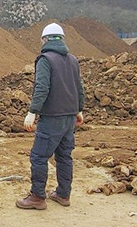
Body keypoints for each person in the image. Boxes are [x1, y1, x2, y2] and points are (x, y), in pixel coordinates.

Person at [16, 23, 85, 210]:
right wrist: (78, 110)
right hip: (69, 117)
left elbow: (42, 87)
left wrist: (32, 112)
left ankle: (37, 197)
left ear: (44, 40)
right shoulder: (72, 59)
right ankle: (63, 194)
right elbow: (78, 87)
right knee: (64, 157)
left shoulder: (45, 59)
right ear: (62, 38)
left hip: (52, 118)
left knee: (39, 156)